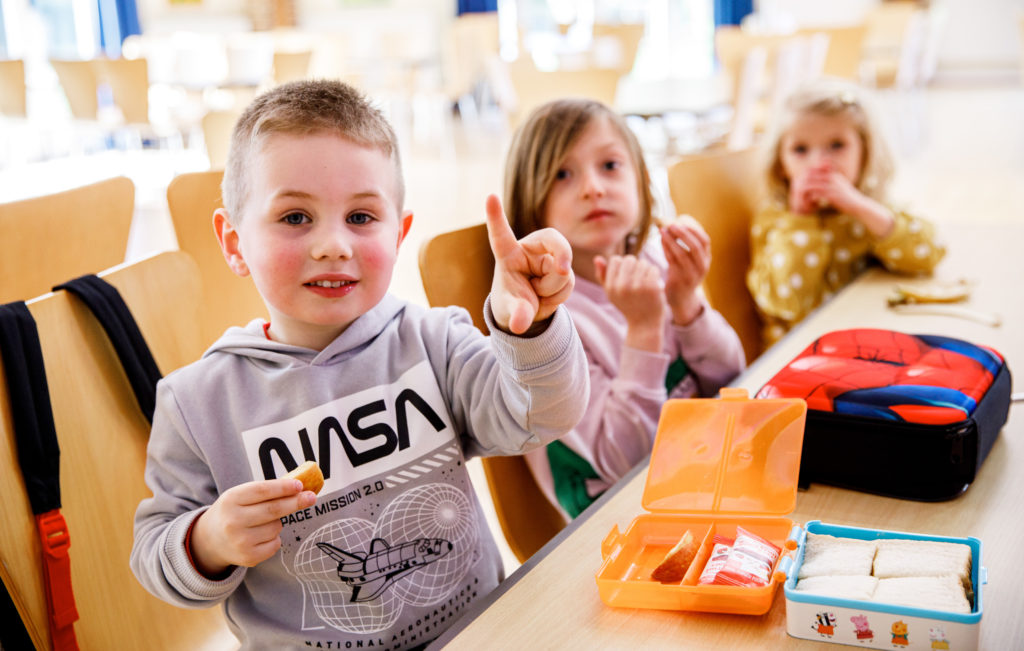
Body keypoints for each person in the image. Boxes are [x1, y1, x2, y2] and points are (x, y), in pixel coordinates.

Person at [130, 80, 589, 650]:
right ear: (233, 240)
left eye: (362, 217)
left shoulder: (435, 341)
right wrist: (208, 541)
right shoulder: (197, 402)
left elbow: (544, 416)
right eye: (296, 217)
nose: (333, 245)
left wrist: (533, 329)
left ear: (399, 233)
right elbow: (153, 546)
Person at [502, 98, 745, 520]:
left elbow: (729, 377)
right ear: (530, 203)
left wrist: (687, 305)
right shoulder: (543, 323)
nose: (593, 187)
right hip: (615, 517)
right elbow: (624, 460)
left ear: (641, 180)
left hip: (698, 466)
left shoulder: (655, 261)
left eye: (610, 166)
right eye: (562, 174)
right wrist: (645, 330)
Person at [747, 79, 946, 347]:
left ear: (865, 153)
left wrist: (862, 208)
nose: (818, 163)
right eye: (800, 149)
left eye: (837, 145)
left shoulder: (868, 206)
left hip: (866, 339)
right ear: (781, 164)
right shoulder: (775, 219)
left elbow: (928, 254)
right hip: (799, 356)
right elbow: (786, 303)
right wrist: (800, 219)